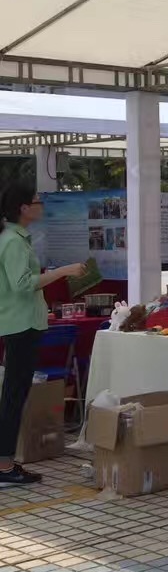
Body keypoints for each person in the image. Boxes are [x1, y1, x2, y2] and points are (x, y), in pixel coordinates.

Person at [0, 186, 86, 486]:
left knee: (15, 394)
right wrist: (63, 272)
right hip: (20, 325)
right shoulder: (12, 241)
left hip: (24, 323)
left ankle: (5, 462)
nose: (41, 206)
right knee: (13, 396)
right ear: (24, 208)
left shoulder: (16, 238)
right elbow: (23, 284)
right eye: (37, 202)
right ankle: (4, 466)